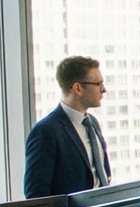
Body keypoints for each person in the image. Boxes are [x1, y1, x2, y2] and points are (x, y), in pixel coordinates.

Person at [23, 55, 111, 198]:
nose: (104, 90)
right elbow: (36, 195)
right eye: (98, 84)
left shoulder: (92, 123)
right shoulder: (45, 131)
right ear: (78, 88)